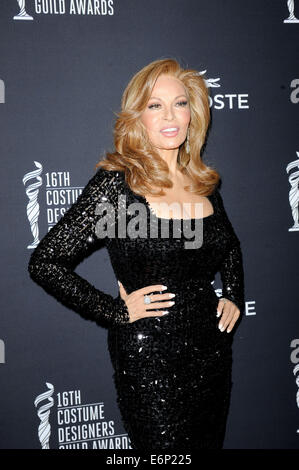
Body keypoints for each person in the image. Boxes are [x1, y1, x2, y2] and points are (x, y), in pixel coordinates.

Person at [28, 58, 245, 450]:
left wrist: (233, 294)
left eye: (180, 103)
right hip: (149, 356)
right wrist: (114, 312)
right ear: (137, 116)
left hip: (211, 351)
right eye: (154, 105)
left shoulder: (204, 183)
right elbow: (46, 262)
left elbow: (228, 246)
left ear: (193, 112)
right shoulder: (117, 185)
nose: (170, 115)